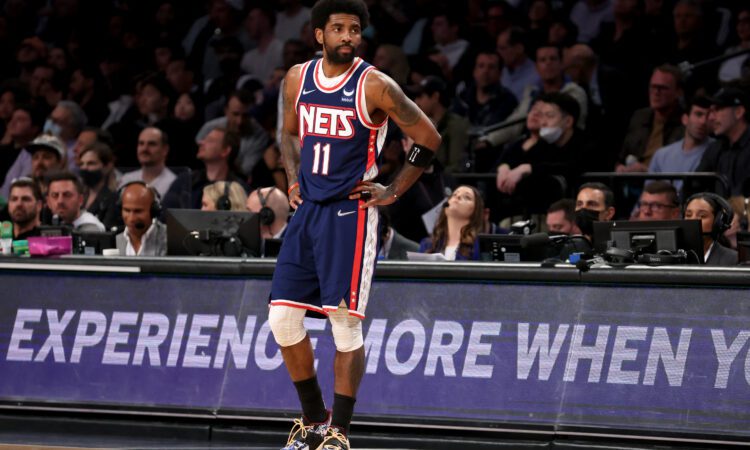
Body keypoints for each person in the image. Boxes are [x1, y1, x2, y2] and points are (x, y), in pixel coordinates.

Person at [269, 0, 441, 448]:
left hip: (350, 213)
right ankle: (313, 421)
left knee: (344, 324)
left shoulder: (375, 85)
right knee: (282, 319)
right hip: (308, 210)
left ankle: (339, 432)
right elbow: (288, 132)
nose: (348, 36)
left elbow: (428, 138)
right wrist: (292, 179)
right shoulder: (297, 78)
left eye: (354, 29)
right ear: (319, 35)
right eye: (339, 28)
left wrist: (393, 190)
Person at [618, 65, 684, 172]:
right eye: (653, 87)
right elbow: (622, 156)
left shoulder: (685, 123)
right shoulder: (639, 117)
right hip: (632, 178)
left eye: (663, 88)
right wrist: (619, 167)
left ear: (678, 92)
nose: (656, 92)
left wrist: (648, 171)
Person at [648, 95, 713, 192]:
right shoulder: (661, 155)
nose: (703, 121)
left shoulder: (717, 152)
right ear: (685, 119)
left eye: (708, 117)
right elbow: (648, 192)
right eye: (698, 114)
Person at [695, 87, 750, 197]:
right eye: (711, 111)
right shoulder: (715, 148)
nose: (711, 117)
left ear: (738, 112)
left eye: (718, 109)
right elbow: (694, 185)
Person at [418, 185, 483, 261]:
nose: (458, 196)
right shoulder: (428, 244)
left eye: (467, 197)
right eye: (454, 194)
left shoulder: (479, 246)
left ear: (475, 211)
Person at [119, 127, 176, 198]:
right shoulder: (127, 180)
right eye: (141, 143)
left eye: (152, 144)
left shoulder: (173, 184)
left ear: (165, 150)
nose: (144, 148)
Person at [684, 192, 737, 266]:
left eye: (702, 216)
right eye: (688, 215)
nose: (693, 220)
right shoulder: (673, 256)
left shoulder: (732, 259)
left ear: (717, 222)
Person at [115, 181, 167, 256]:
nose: (131, 219)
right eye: (127, 210)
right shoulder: (114, 240)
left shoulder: (170, 239)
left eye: (138, 211)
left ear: (153, 211)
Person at [79, 143, 119, 231]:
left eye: (91, 163)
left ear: (107, 166)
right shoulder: (78, 195)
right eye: (81, 164)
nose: (84, 168)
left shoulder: (113, 199)